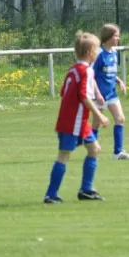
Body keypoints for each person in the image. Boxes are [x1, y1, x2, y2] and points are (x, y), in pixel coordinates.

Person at [43, 31, 110, 204]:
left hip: (78, 122)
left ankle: (86, 190)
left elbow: (63, 92)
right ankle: (51, 194)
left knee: (94, 149)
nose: (98, 53)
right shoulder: (86, 71)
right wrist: (100, 116)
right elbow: (84, 97)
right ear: (89, 53)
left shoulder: (73, 69)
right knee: (64, 156)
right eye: (96, 50)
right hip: (73, 123)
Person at [91, 23, 129, 160]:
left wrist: (120, 81)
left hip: (111, 93)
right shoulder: (98, 53)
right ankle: (92, 151)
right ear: (108, 36)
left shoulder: (114, 53)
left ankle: (118, 153)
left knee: (120, 119)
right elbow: (90, 75)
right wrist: (98, 94)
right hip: (98, 94)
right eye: (116, 36)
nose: (118, 39)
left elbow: (110, 73)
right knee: (96, 123)